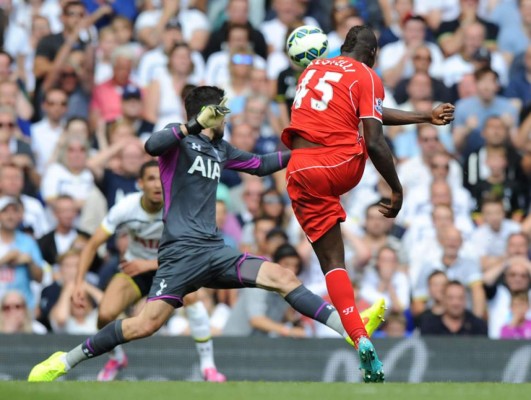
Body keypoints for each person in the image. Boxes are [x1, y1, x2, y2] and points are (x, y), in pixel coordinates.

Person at [28, 86, 386, 383]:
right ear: (209, 112)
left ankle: (351, 330)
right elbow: (150, 147)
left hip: (214, 249)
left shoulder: (221, 149)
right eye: (223, 113)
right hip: (180, 254)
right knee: (144, 325)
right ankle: (65, 360)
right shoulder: (178, 141)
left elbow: (260, 165)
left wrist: (307, 153)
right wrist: (192, 125)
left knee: (282, 276)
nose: (227, 119)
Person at [280, 25, 454, 382]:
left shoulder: (312, 69)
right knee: (363, 136)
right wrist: (397, 188)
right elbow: (374, 138)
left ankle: (358, 337)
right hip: (340, 165)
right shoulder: (366, 74)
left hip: (299, 168)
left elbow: (368, 109)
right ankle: (359, 334)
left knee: (331, 262)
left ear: (342, 47)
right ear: (373, 54)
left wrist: (423, 116)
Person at [63, 160, 226, 382]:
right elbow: (92, 244)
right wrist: (79, 283)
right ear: (140, 183)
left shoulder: (180, 208)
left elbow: (192, 254)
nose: (157, 185)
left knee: (193, 297)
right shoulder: (126, 208)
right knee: (105, 314)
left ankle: (208, 366)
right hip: (135, 271)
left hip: (171, 269)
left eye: (161, 178)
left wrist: (148, 265)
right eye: (150, 178)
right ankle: (116, 358)